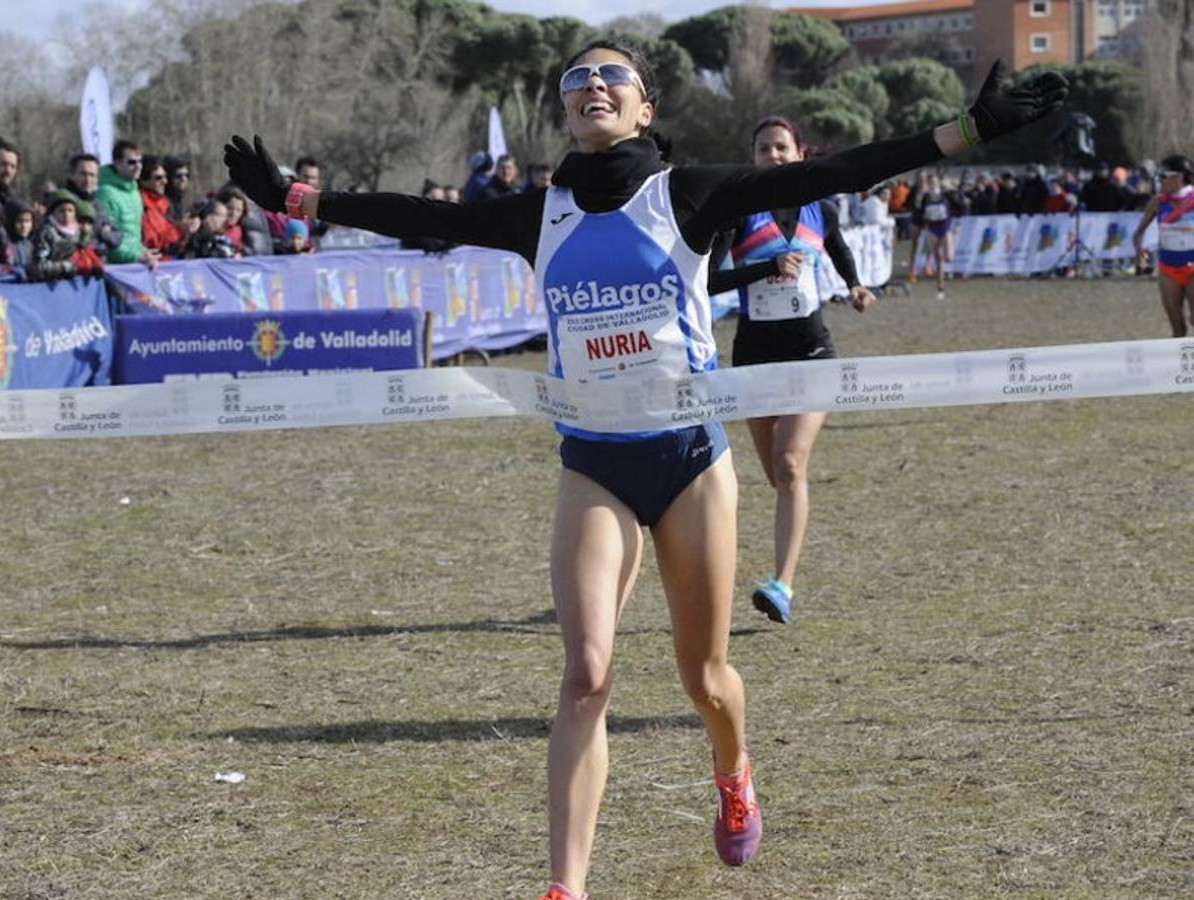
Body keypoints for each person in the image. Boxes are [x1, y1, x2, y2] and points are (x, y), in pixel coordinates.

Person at [224, 45, 1065, 900]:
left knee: (701, 679)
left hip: (690, 462)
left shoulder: (688, 194)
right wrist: (296, 199)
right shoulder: (535, 215)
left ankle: (733, 771)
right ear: (564, 113)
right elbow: (405, 209)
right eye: (575, 80)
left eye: (610, 77)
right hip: (594, 464)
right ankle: (567, 887)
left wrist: (968, 130)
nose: (591, 85)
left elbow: (844, 170)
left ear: (643, 111)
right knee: (586, 675)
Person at [705, 114, 878, 624]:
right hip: (756, 357)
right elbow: (711, 282)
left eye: (782, 148)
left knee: (789, 464)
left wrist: (855, 286)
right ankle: (784, 556)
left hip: (812, 352)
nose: (773, 156)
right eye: (763, 149)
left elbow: (841, 251)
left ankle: (782, 584)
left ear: (800, 154)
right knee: (775, 475)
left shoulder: (820, 207)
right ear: (753, 157)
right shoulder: (737, 212)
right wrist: (765, 267)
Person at [1134, 154, 1194, 337]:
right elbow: (1138, 233)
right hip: (1168, 270)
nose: (1159, 181)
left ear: (1179, 176)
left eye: (1163, 176)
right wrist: (1139, 250)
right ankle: (1181, 366)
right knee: (1178, 329)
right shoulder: (1158, 203)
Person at [97, 140, 159, 267]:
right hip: (117, 269)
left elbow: (132, 235)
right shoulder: (106, 193)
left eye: (140, 161)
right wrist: (136, 256)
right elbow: (109, 240)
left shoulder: (134, 191)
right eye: (132, 162)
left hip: (135, 263)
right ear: (117, 163)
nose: (138, 166)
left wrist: (142, 251)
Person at [138, 156, 187, 259]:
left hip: (167, 262)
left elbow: (170, 239)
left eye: (165, 177)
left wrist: (185, 231)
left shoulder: (164, 204)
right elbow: (152, 241)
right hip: (151, 263)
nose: (165, 181)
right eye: (158, 178)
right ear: (144, 181)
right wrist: (181, 230)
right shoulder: (142, 204)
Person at [918, 176, 955, 299]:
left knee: (948, 258)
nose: (933, 185)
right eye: (930, 183)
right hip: (932, 229)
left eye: (934, 182)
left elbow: (957, 205)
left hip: (945, 228)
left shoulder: (945, 195)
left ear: (938, 183)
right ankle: (940, 288)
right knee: (938, 260)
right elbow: (920, 212)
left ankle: (945, 273)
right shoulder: (926, 197)